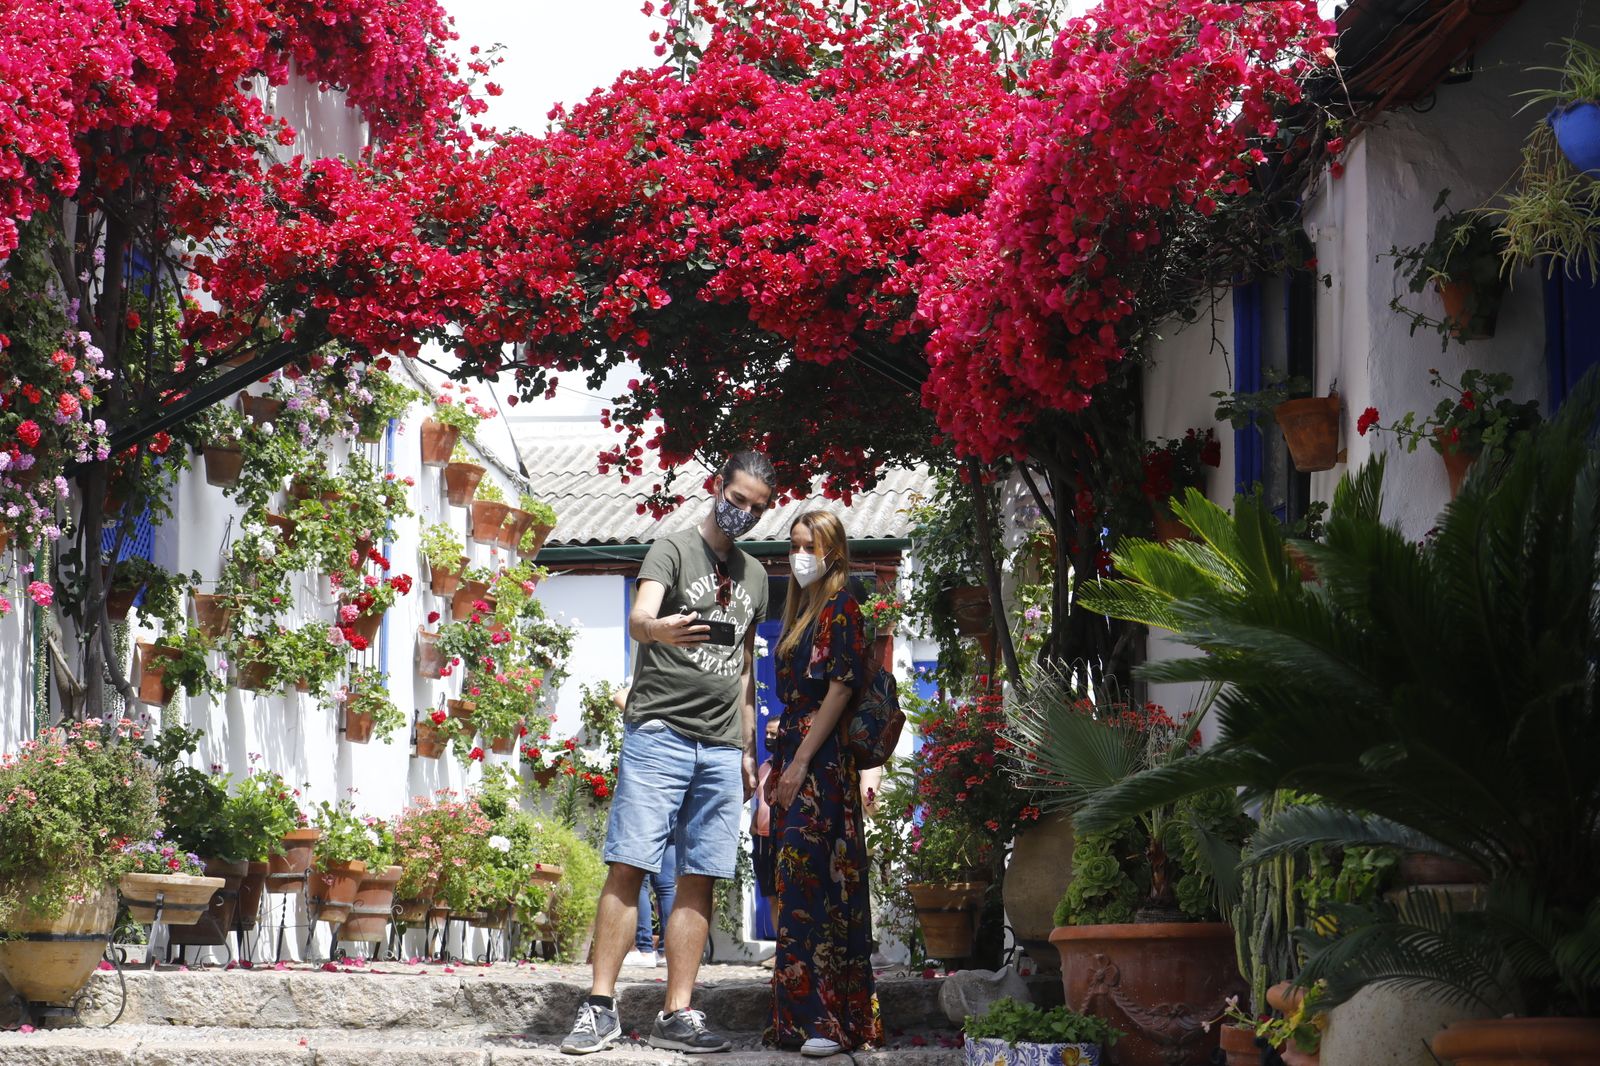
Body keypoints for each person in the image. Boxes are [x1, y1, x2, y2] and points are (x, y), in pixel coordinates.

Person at [560, 452, 776, 1056]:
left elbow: (742, 672)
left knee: (699, 877)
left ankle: (676, 1012)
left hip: (720, 746)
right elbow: (637, 617)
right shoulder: (673, 549)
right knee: (629, 864)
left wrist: (746, 746)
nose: (743, 515)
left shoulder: (757, 577)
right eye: (737, 500)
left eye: (756, 509)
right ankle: (599, 1005)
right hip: (660, 733)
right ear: (717, 489)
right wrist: (661, 631)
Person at [765, 510, 882, 1058]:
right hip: (797, 753)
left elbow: (839, 690)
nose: (797, 554)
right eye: (792, 545)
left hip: (821, 763)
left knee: (810, 887)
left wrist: (799, 761)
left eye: (807, 545)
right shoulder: (802, 608)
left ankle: (824, 1023)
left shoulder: (843, 605)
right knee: (799, 888)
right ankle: (802, 1021)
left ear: (832, 551)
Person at [611, 683, 675, 969]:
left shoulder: (656, 691)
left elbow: (619, 696)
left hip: (650, 790)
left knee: (638, 874)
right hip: (679, 789)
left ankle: (646, 947)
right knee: (668, 883)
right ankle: (670, 952)